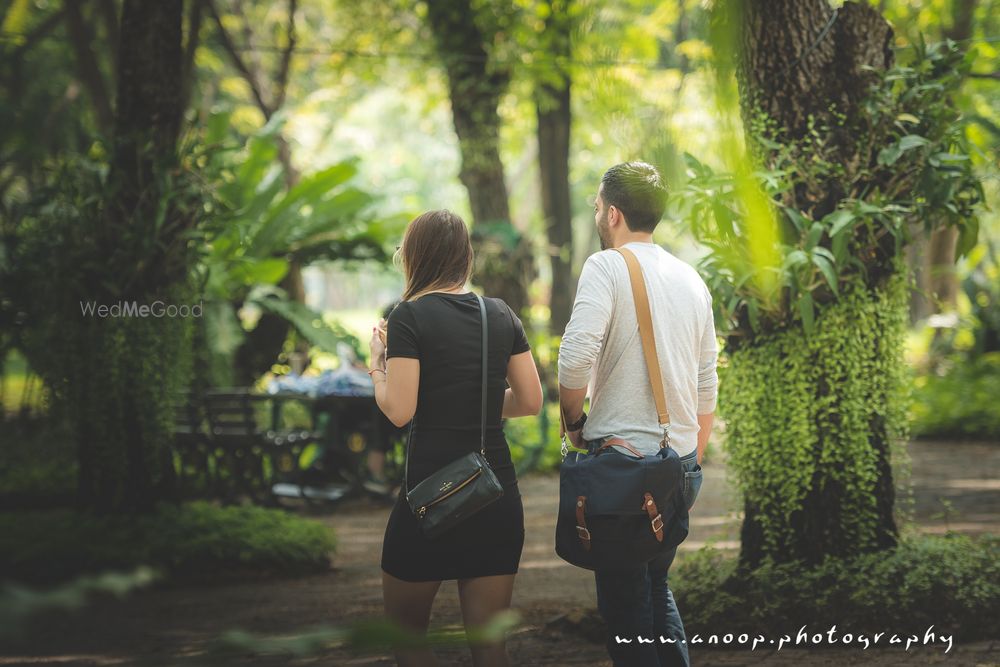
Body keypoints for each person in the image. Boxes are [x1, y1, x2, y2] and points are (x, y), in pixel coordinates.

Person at [558, 162, 718, 667]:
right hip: (679, 464)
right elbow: (706, 381)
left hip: (623, 472)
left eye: (597, 209)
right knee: (653, 584)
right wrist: (690, 459)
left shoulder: (606, 266)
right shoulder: (690, 277)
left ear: (612, 213)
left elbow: (574, 356)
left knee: (626, 614)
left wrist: (573, 423)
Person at [368, 210, 543, 667]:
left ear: (413, 258)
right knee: (490, 647)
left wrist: (376, 365)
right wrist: (479, 403)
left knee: (408, 640)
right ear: (466, 257)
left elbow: (399, 410)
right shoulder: (500, 313)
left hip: (430, 496)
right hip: (494, 492)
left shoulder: (407, 317)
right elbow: (529, 402)